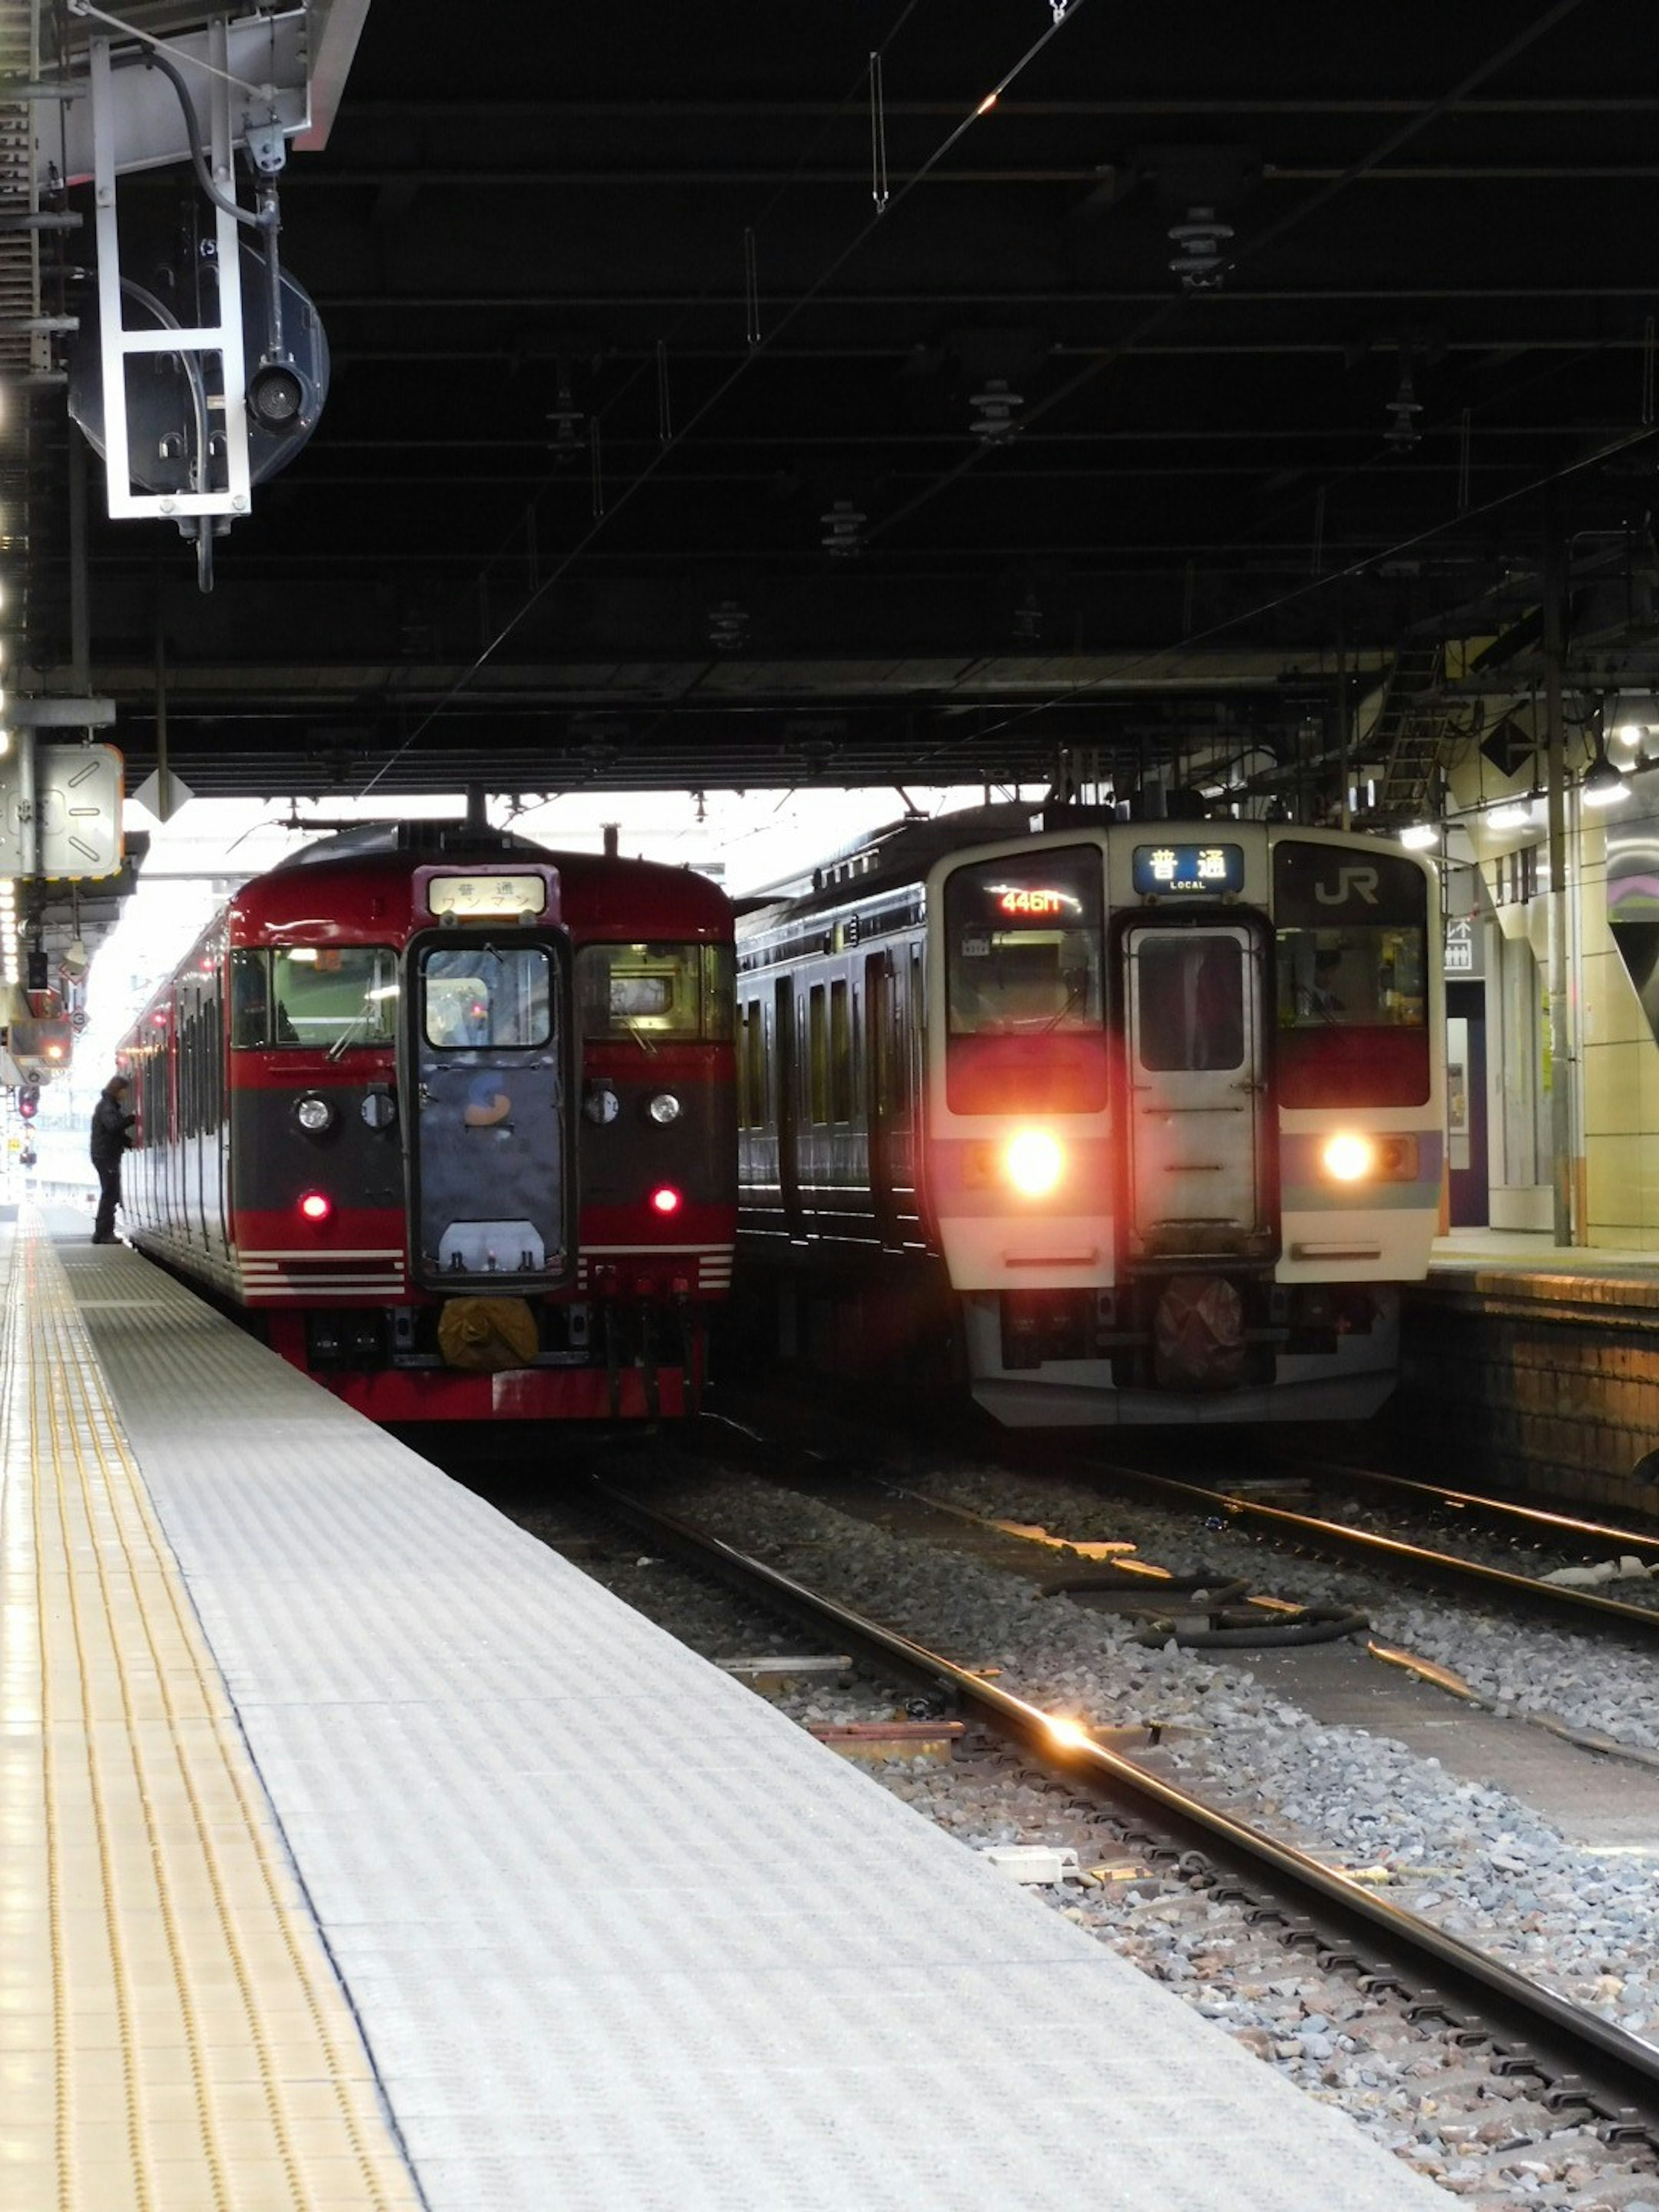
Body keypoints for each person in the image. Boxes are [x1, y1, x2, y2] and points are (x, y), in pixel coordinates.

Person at [89, 1074, 135, 1244]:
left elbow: (112, 1131)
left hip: (104, 1154)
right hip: (106, 1156)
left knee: (110, 1193)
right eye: (124, 1091)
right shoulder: (108, 1107)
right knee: (110, 1194)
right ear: (118, 1090)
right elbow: (113, 1127)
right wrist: (131, 1120)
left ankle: (102, 1233)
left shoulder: (107, 1105)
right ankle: (103, 1234)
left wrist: (127, 1142)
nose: (126, 1095)